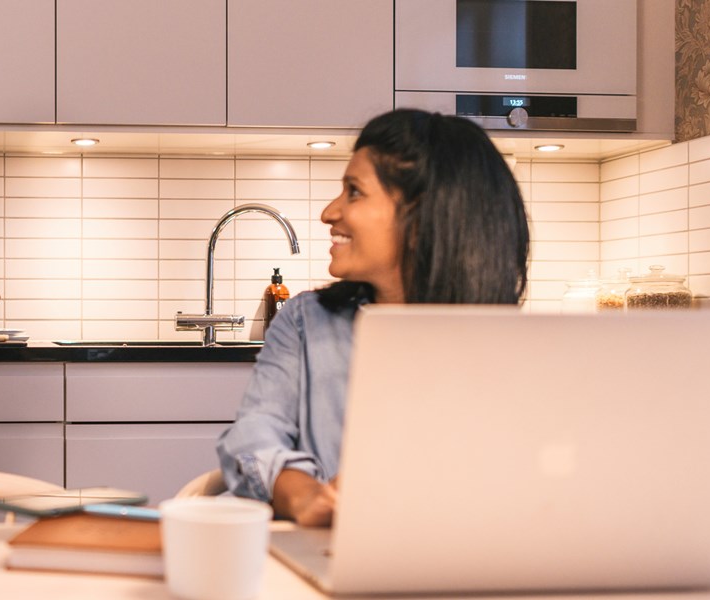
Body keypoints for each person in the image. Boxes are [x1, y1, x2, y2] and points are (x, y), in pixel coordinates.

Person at [216, 109, 530, 527]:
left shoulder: (518, 347)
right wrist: (307, 497)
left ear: (421, 218)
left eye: (354, 192)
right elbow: (253, 436)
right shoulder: (306, 321)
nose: (329, 213)